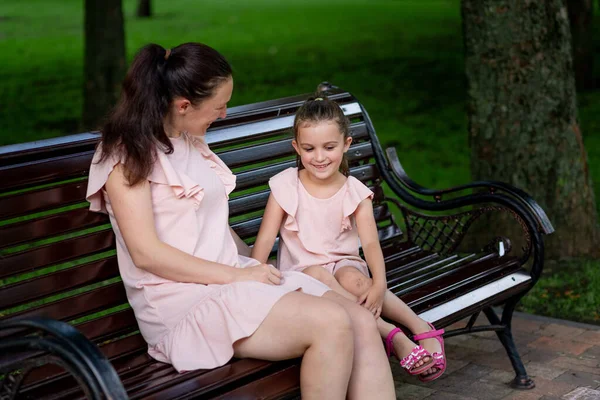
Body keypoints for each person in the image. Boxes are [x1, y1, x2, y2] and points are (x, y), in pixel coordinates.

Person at [85, 42, 396, 399]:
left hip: (229, 282)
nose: (224, 114)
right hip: (182, 305)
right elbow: (147, 254)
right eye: (219, 106)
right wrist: (240, 274)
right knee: (331, 324)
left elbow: (207, 224)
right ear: (183, 106)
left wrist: (258, 266)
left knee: (359, 319)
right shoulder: (126, 157)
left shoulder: (185, 138)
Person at [252, 96, 447, 382]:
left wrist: (379, 284)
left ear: (346, 144)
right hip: (302, 274)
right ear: (297, 147)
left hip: (345, 264)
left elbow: (369, 244)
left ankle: (417, 325)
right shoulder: (285, 186)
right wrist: (254, 272)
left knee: (357, 282)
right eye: (309, 148)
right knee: (319, 274)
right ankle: (390, 334)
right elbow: (266, 237)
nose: (319, 157)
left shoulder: (354, 192)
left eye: (329, 147)